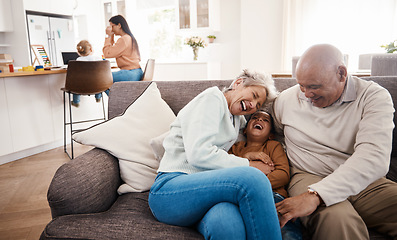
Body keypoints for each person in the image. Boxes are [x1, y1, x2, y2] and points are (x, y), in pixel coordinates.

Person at [273, 44, 397, 239]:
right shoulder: (285, 100)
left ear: (341, 73)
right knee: (338, 221)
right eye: (302, 86)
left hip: (362, 179)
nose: (306, 94)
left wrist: (316, 196)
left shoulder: (373, 97)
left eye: (314, 86)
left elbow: (374, 157)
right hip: (309, 175)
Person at [149, 69, 282, 240]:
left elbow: (228, 147)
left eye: (257, 105)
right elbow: (199, 154)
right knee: (253, 178)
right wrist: (249, 165)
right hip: (170, 190)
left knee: (227, 227)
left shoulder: (236, 119)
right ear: (238, 83)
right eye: (254, 95)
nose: (252, 105)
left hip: (207, 195)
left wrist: (247, 157)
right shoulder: (212, 98)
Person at [229, 110, 302, 240]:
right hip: (239, 199)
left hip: (272, 197)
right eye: (255, 118)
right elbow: (226, 170)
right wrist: (246, 158)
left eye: (265, 120)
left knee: (286, 231)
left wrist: (256, 186)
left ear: (271, 135)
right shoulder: (236, 148)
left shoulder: (273, 146)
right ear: (244, 131)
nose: (259, 120)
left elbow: (283, 174)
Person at [103, 15, 142, 95]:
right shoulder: (129, 37)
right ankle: (117, 99)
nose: (112, 29)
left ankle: (115, 99)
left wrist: (108, 36)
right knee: (105, 80)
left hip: (130, 73)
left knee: (101, 79)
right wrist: (112, 37)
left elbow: (107, 53)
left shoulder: (124, 39)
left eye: (112, 26)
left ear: (119, 25)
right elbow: (111, 50)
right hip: (136, 72)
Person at [71, 40, 103, 107]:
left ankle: (76, 101)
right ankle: (98, 97)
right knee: (99, 80)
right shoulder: (98, 58)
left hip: (82, 86)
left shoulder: (78, 60)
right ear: (91, 49)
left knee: (75, 83)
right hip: (97, 86)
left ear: (79, 52)